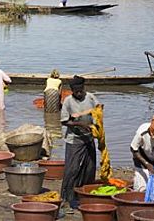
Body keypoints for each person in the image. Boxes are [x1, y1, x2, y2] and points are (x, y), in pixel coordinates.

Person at [60, 75, 101, 212]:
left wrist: (96, 126)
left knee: (89, 168)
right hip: (74, 139)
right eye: (75, 90)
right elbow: (65, 121)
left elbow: (98, 111)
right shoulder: (68, 101)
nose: (78, 93)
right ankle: (67, 198)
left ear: (84, 88)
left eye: (80, 90)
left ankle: (84, 196)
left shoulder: (90, 97)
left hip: (89, 138)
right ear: (72, 90)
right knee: (72, 169)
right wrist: (79, 124)